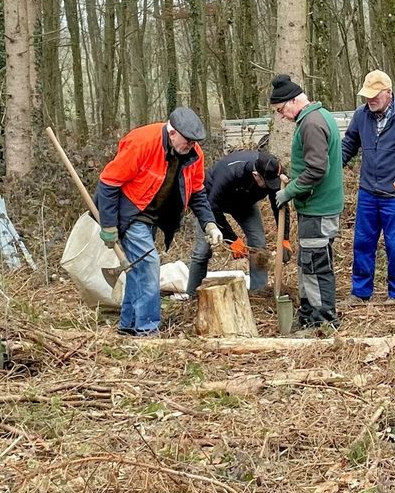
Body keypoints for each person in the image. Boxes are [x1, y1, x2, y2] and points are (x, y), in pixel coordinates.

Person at [95, 107, 221, 336]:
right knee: (149, 264)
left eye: (194, 142)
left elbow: (197, 192)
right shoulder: (142, 143)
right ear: (172, 133)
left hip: (156, 215)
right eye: (187, 141)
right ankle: (147, 330)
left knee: (138, 270)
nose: (190, 146)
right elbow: (108, 184)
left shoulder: (194, 154)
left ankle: (128, 325)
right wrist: (109, 225)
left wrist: (209, 223)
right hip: (131, 213)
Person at [342, 70, 395, 300]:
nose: (370, 99)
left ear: (388, 93)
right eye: (367, 95)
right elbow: (348, 145)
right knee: (362, 243)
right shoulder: (361, 116)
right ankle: (360, 292)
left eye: (374, 95)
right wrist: (331, 168)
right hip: (368, 193)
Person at [270, 75, 345, 329]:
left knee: (315, 265)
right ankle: (310, 313)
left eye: (281, 110)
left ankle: (322, 320)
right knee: (311, 261)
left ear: (293, 100)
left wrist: (289, 191)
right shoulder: (317, 117)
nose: (282, 116)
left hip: (318, 209)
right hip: (316, 206)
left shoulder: (311, 123)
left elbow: (316, 170)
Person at [184, 151, 290, 298]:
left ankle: (258, 292)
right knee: (202, 251)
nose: (270, 187)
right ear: (256, 175)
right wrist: (232, 240)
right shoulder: (230, 172)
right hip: (211, 202)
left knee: (258, 244)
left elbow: (279, 205)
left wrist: (284, 238)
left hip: (244, 203)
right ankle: (192, 295)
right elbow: (213, 208)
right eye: (266, 184)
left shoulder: (273, 171)